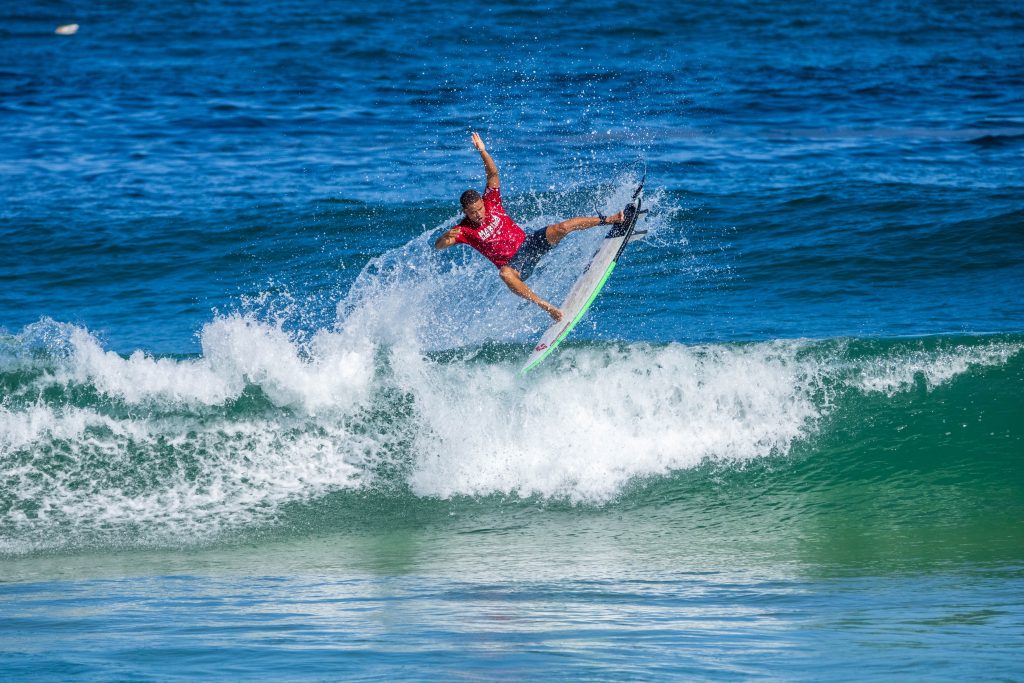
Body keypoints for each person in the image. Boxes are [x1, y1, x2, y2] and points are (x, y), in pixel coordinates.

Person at [434, 132, 622, 321]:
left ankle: (609, 219)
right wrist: (445, 236)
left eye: (480, 209)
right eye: (473, 212)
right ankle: (546, 307)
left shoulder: (491, 200)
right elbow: (438, 246)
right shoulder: (463, 230)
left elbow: (492, 173)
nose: (479, 214)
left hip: (529, 243)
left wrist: (482, 151)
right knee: (504, 274)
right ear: (465, 211)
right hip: (516, 266)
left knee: (561, 227)